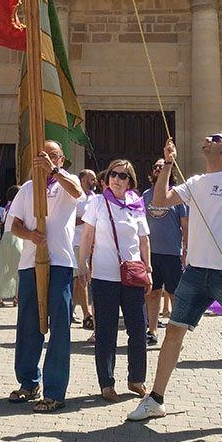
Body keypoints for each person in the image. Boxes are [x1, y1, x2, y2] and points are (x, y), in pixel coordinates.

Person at [128, 132, 222, 435]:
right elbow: (160, 200)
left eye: (215, 138)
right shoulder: (195, 182)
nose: (206, 138)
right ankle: (156, 399)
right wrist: (167, 162)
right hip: (194, 272)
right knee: (174, 332)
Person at [8, 141, 82, 412]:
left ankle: (55, 390)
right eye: (43, 157)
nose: (48, 161)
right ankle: (28, 382)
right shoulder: (26, 190)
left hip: (60, 263)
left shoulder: (67, 181)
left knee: (60, 326)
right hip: (30, 264)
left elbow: (78, 192)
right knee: (28, 324)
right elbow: (14, 224)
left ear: (61, 159)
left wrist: (54, 172)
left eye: (53, 157)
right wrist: (30, 235)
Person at [79, 159, 151, 402]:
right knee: (106, 332)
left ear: (130, 180)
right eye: (112, 174)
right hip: (104, 275)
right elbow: (87, 234)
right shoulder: (98, 202)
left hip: (132, 275)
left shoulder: (137, 204)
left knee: (139, 329)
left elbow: (143, 240)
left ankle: (136, 378)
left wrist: (148, 268)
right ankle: (106, 383)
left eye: (122, 176)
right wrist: (82, 265)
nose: (116, 179)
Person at [142, 158, 188, 345]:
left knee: (174, 294)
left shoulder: (177, 196)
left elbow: (185, 225)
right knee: (152, 293)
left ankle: (176, 334)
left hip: (172, 253)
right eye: (156, 167)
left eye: (163, 167)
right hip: (151, 254)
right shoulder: (145, 195)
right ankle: (152, 330)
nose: (159, 170)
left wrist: (186, 249)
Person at [0, 185, 22, 307]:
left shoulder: (7, 208)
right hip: (16, 238)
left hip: (6, 237)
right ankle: (17, 295)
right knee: (20, 267)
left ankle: (0, 293)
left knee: (6, 266)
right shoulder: (18, 207)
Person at [72, 169, 96, 329]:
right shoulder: (76, 198)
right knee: (82, 278)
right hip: (77, 242)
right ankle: (87, 314)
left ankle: (70, 310)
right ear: (83, 181)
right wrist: (87, 219)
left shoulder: (95, 198)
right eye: (92, 179)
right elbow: (69, 220)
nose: (95, 181)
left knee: (78, 280)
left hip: (92, 245)